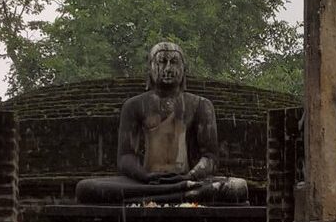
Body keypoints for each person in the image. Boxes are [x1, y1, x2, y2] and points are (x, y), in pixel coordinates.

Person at [75, 41, 248, 205]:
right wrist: (146, 177)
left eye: (174, 62)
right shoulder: (134, 105)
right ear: (150, 68)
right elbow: (125, 157)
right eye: (161, 62)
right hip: (146, 182)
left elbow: (210, 157)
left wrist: (191, 176)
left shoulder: (200, 105)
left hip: (187, 179)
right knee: (86, 188)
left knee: (238, 187)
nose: (168, 68)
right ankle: (176, 194)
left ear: (183, 69)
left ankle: (174, 191)